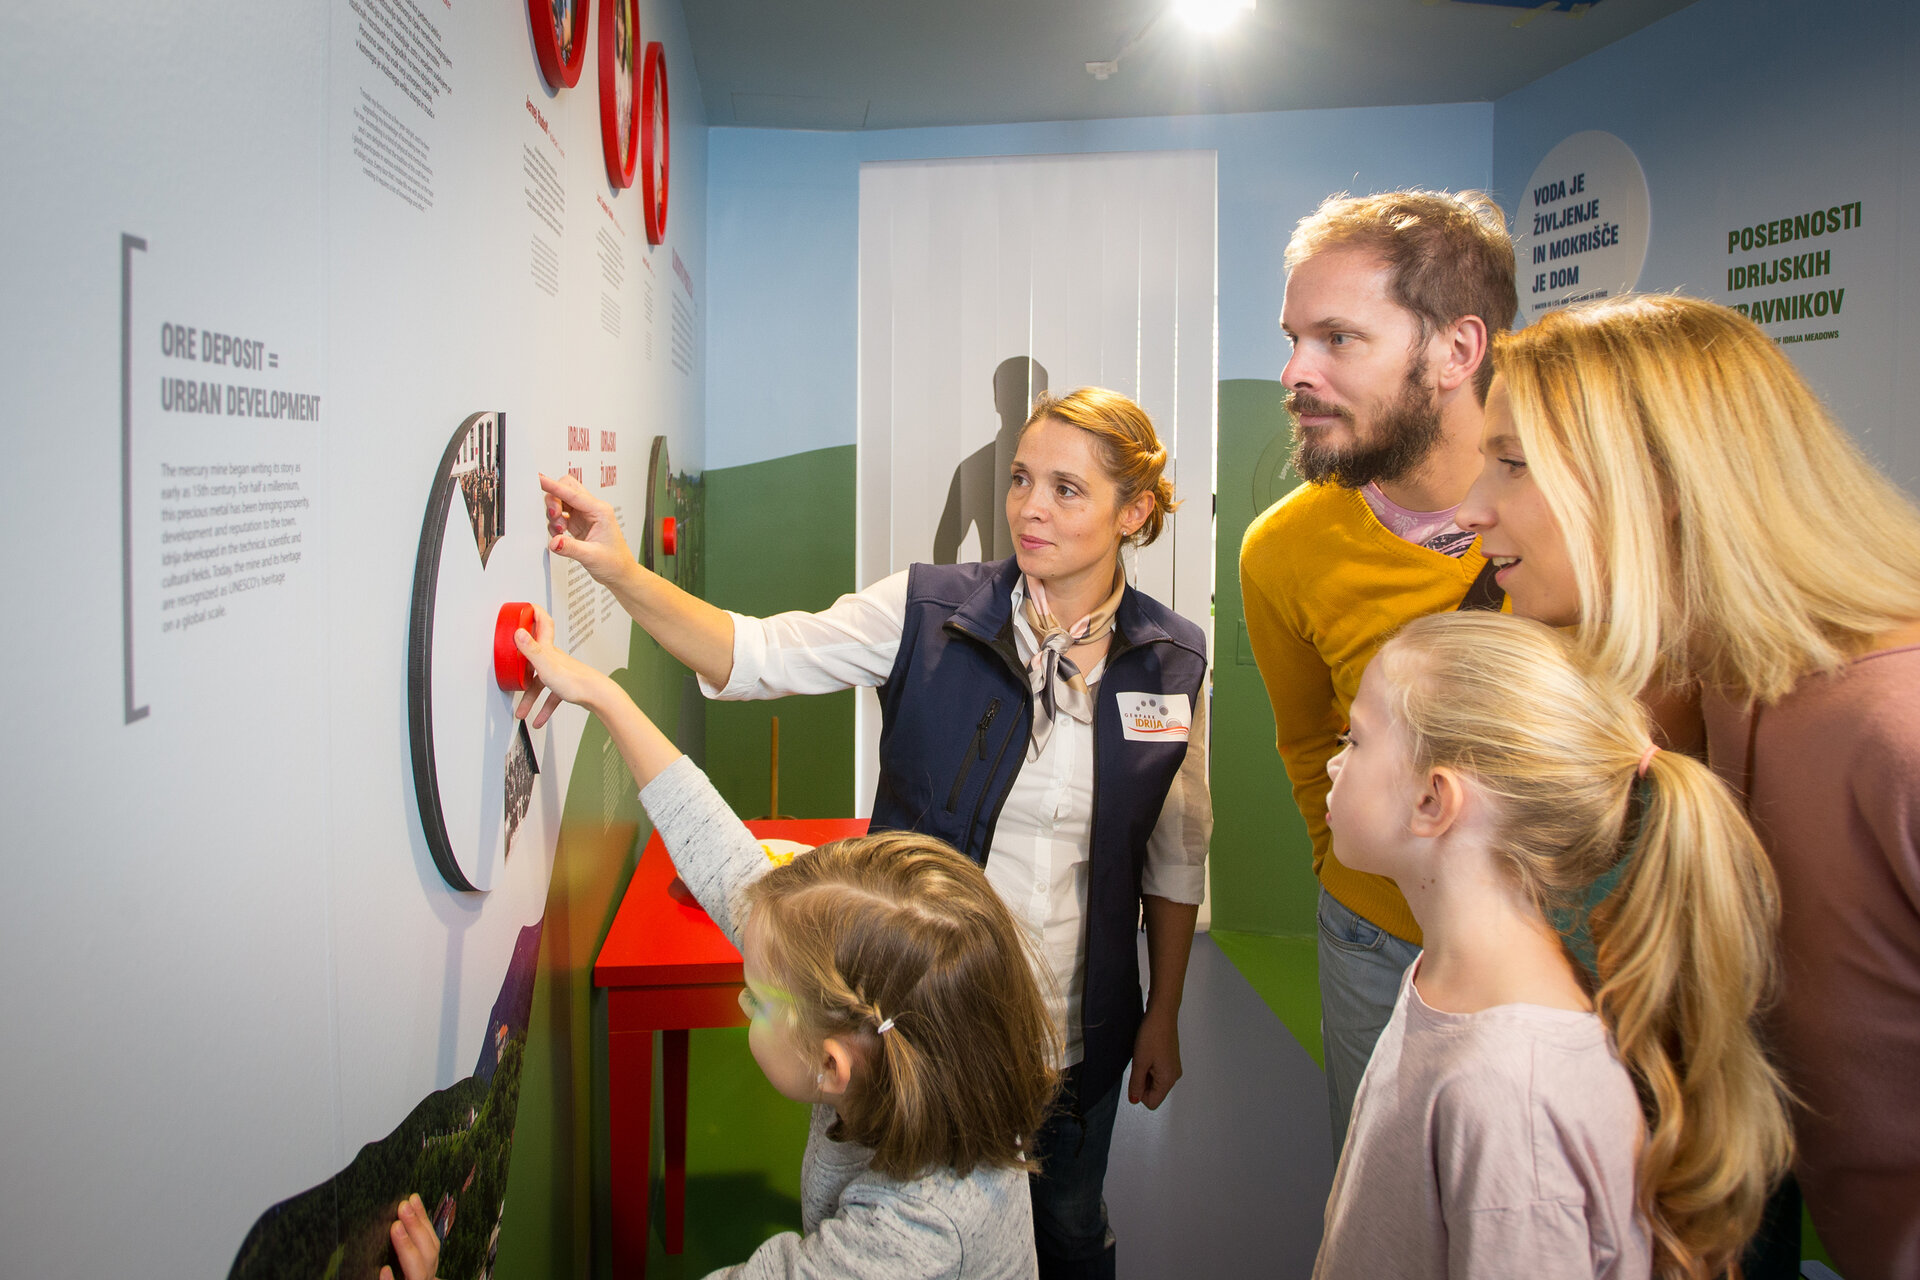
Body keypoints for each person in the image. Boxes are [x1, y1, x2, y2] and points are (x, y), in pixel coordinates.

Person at [540, 386, 1211, 1280]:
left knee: (1070, 1228)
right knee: (885, 1219)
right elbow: (755, 652)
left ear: (1133, 512)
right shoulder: (930, 610)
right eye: (1020, 479)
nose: (1028, 508)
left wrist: (1160, 1009)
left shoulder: (1174, 662)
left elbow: (1174, 855)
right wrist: (619, 571)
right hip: (915, 1028)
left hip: (1073, 1039)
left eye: (1065, 489)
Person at [1459, 292, 1920, 1280]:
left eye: (1513, 461)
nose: (1471, 506)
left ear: (1657, 483)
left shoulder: (1897, 728)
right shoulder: (1733, 687)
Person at [510, 604, 1059, 1278]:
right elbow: (724, 860)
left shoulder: (906, 1238)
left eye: (760, 1002)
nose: (746, 1003)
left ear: (832, 1066)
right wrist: (605, 696)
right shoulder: (926, 1066)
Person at [1315, 611, 1790, 1280]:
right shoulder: (1448, 981)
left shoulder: (1514, 1103)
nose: (1335, 763)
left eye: (1355, 740)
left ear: (1433, 800)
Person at [1238, 188, 1517, 1148]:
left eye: (1338, 339)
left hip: (1579, 941)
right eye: (1292, 339)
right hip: (1376, 939)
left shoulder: (1583, 521)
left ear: (1455, 349)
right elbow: (1309, 737)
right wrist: (1353, 882)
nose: (1294, 373)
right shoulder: (1281, 551)